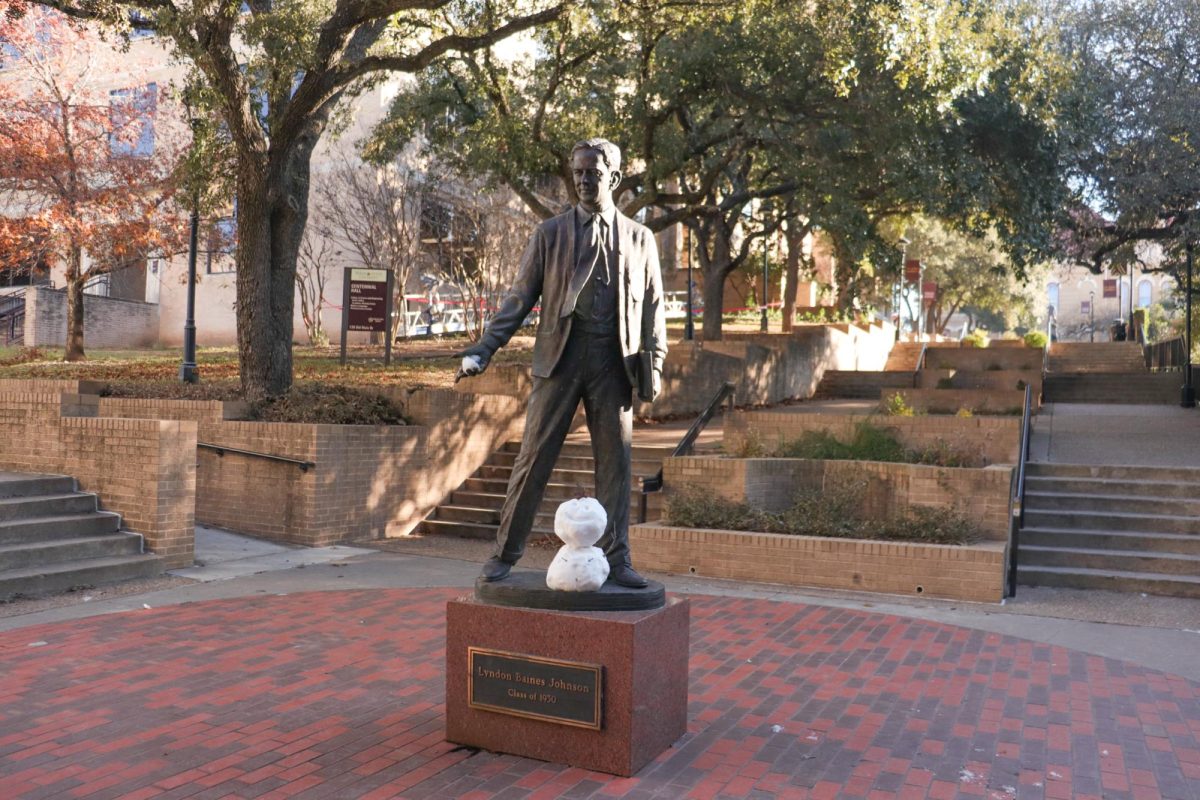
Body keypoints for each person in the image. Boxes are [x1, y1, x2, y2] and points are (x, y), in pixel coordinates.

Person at [456, 138, 668, 588]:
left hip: (616, 360)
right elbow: (518, 299)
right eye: (578, 174)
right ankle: (504, 553)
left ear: (614, 176)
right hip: (560, 359)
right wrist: (484, 348)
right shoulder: (549, 235)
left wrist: (659, 361)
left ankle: (618, 557)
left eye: (593, 173)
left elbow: (653, 307)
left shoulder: (639, 238)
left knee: (616, 466)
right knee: (533, 458)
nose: (584, 181)